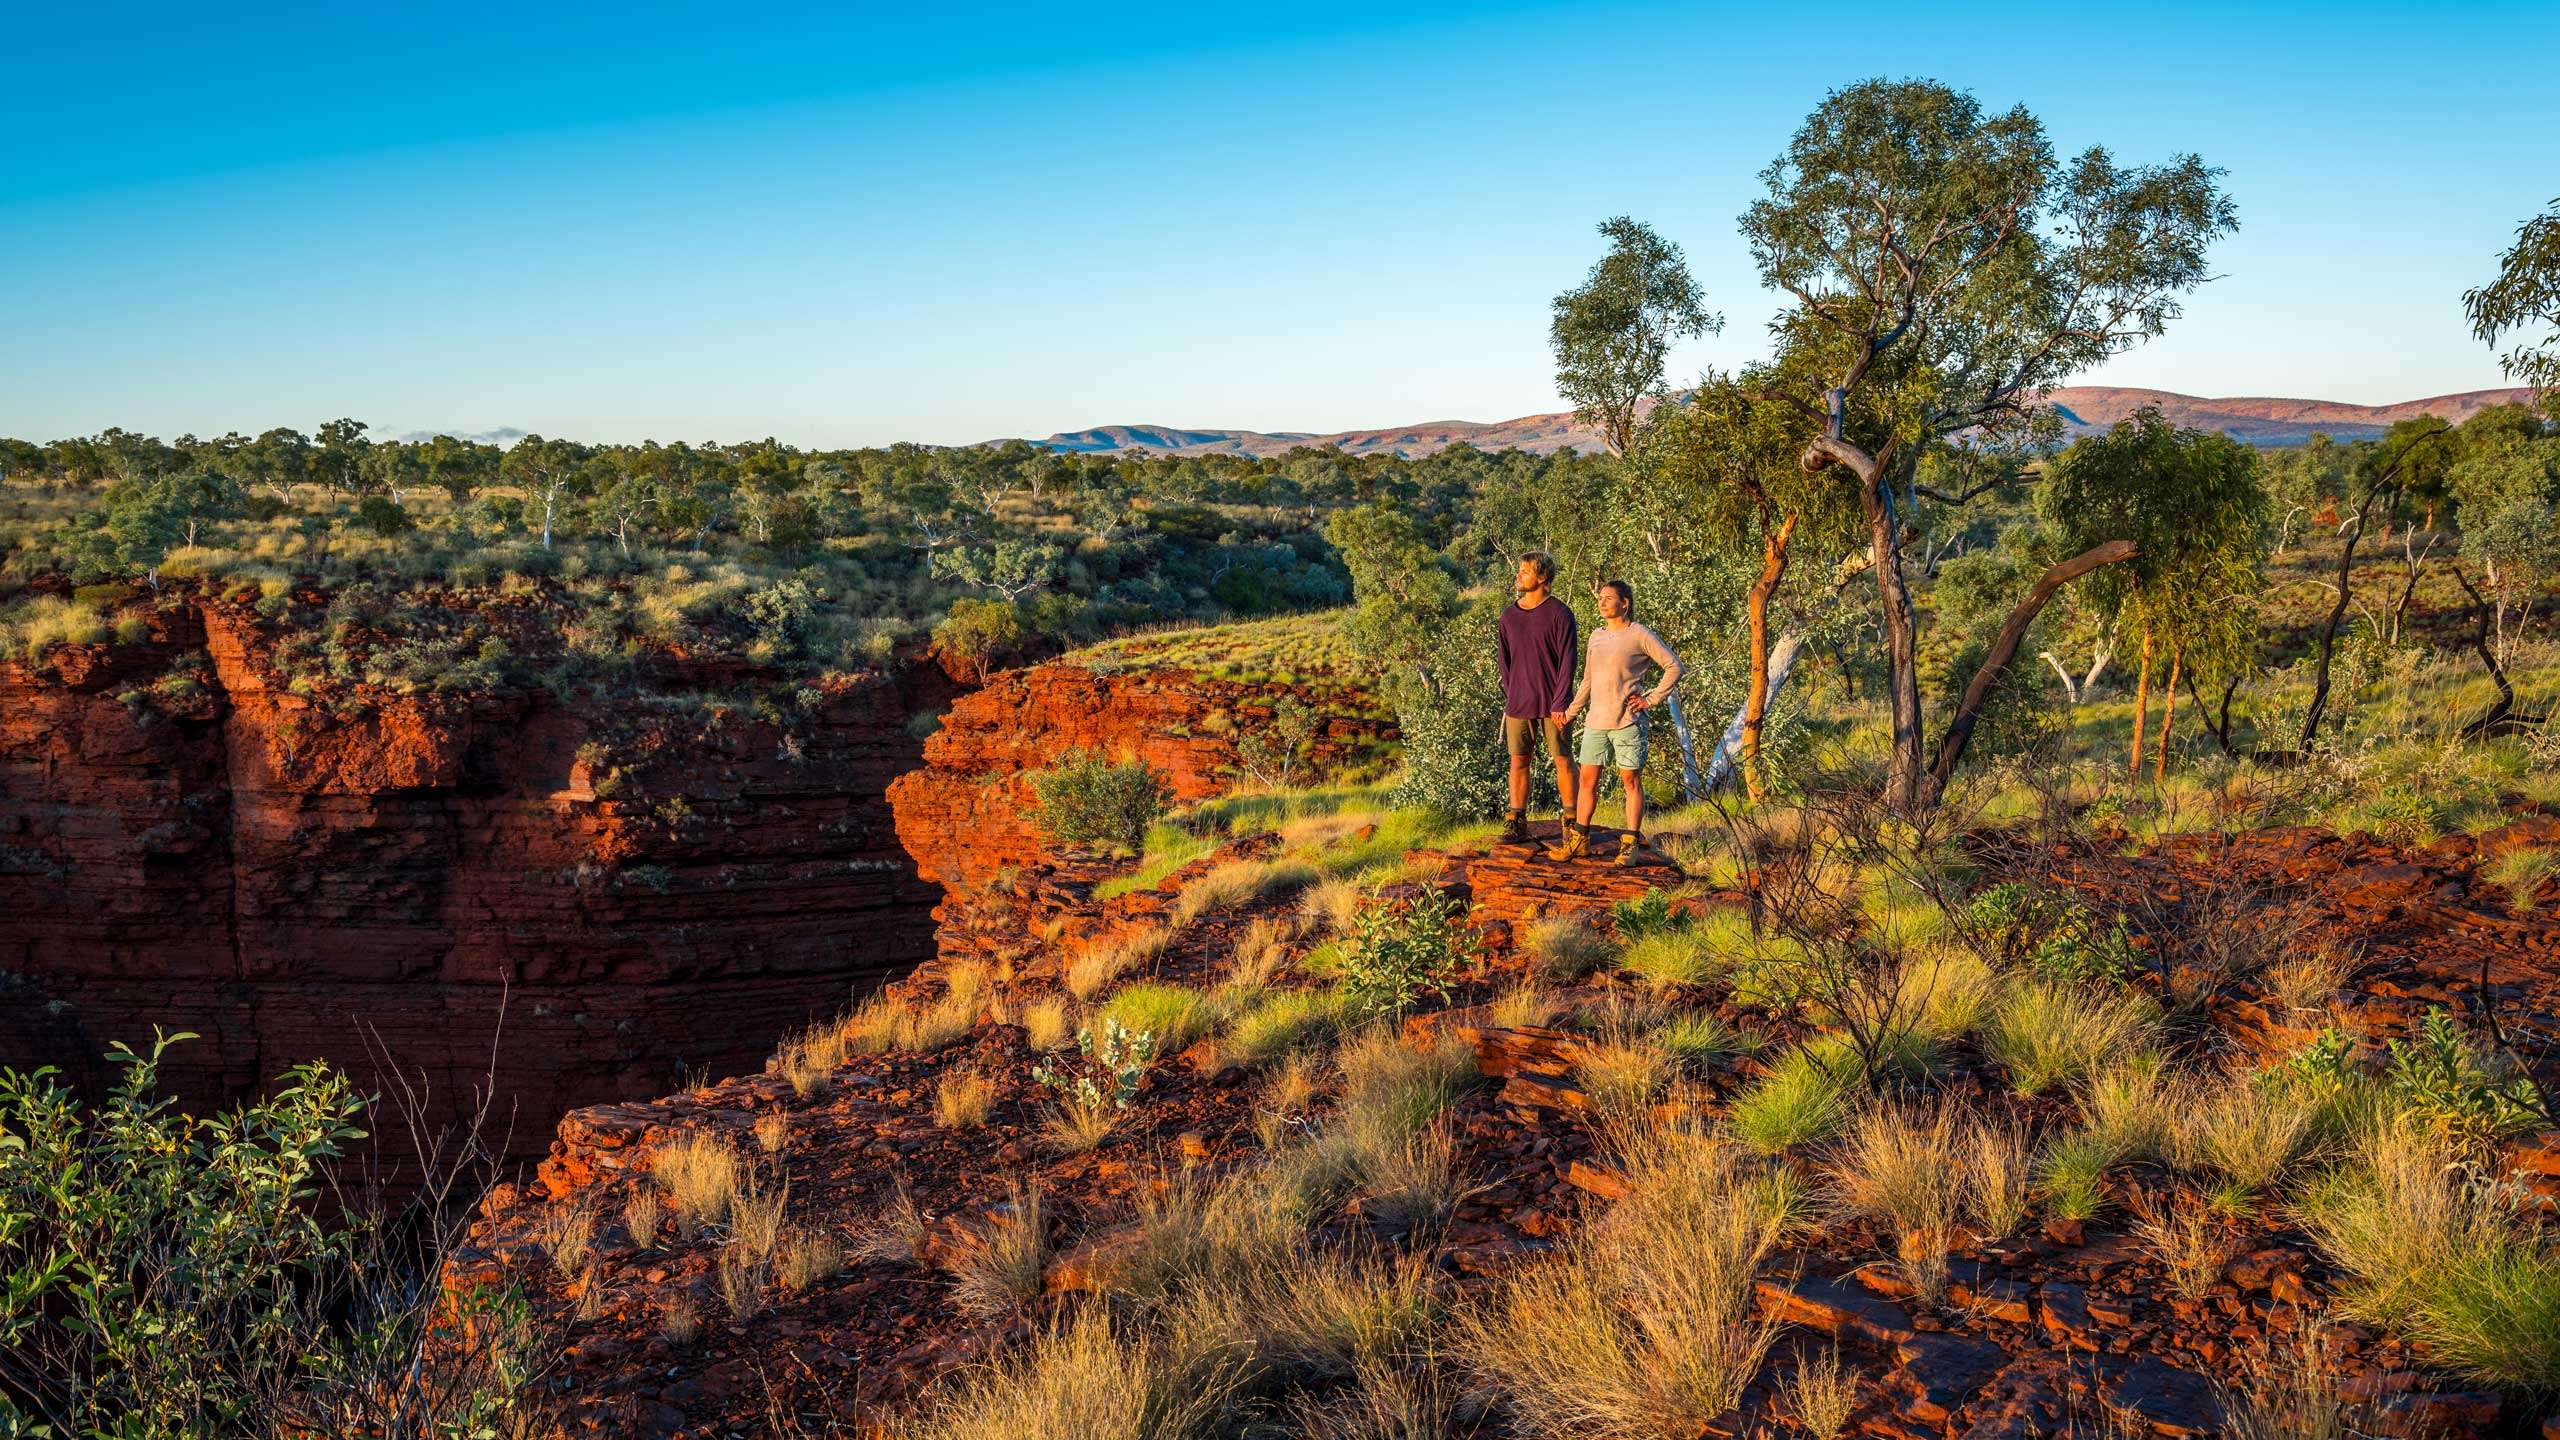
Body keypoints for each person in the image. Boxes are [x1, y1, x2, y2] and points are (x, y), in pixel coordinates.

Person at [1549, 578, 1682, 865]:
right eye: (1600, 597)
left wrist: (1651, 699)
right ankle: (1579, 841)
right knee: (1587, 780)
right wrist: (1570, 713)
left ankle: (1630, 844)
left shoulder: (1639, 634)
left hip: (1628, 722)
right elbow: (1587, 681)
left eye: (1609, 598)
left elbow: (1674, 666)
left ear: (1625, 603)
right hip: (1596, 721)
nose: (1602, 601)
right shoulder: (1596, 636)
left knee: (1630, 780)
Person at [1496, 551, 1577, 846]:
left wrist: (1559, 702)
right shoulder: (1509, 616)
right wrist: (1513, 692)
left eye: (1525, 571)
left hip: (1555, 705)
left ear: (1542, 577)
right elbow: (1504, 662)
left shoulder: (1560, 614)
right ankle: (1516, 821)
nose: (1518, 576)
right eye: (1519, 571)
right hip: (1519, 704)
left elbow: (1568, 662)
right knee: (1518, 761)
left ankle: (1572, 823)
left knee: (1563, 760)